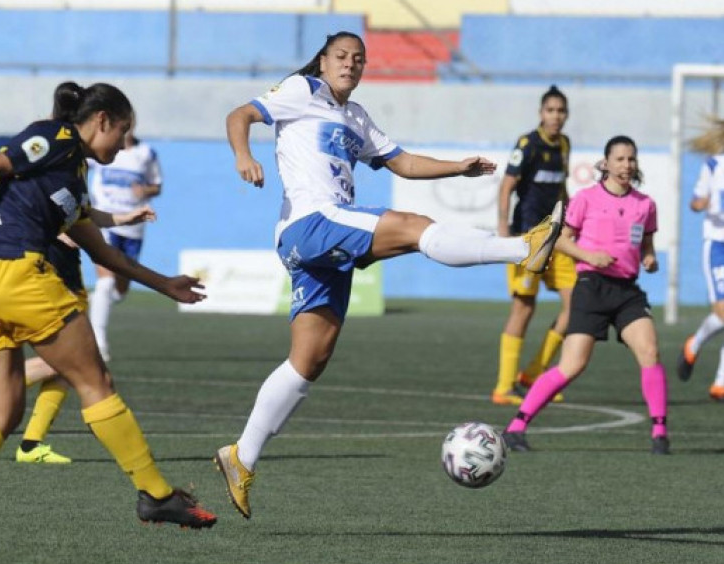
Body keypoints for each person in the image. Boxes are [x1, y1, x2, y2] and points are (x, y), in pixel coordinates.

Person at [213, 31, 564, 520]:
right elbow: (240, 115)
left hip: (321, 240)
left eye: (359, 59)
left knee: (310, 359)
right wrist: (242, 155)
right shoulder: (301, 92)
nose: (350, 65)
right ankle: (522, 248)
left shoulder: (356, 117)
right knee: (415, 228)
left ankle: (241, 456)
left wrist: (457, 168)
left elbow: (403, 162)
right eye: (341, 56)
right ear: (323, 60)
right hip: (310, 223)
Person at [0, 81, 216, 564]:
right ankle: (157, 495)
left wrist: (165, 284)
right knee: (96, 383)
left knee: (3, 410)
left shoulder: (70, 181)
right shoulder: (57, 138)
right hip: (15, 274)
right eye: (123, 130)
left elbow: (102, 252)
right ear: (102, 121)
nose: (122, 143)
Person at [502, 135, 670, 455]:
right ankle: (516, 427)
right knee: (572, 365)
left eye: (631, 159)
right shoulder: (585, 199)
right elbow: (561, 239)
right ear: (605, 164)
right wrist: (589, 257)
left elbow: (646, 244)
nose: (626, 164)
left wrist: (649, 258)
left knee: (650, 350)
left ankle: (660, 433)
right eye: (620, 159)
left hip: (627, 291)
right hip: (591, 288)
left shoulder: (645, 205)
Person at [0, 205, 156, 464]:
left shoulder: (72, 173)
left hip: (69, 267)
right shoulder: (43, 173)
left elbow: (83, 214)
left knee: (66, 368)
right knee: (74, 360)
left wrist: (124, 218)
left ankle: (31, 444)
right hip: (49, 265)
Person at [492, 85, 575, 406]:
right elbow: (507, 185)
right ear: (541, 113)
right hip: (527, 239)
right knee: (523, 307)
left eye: (561, 111)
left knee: (576, 304)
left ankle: (534, 372)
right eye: (550, 110)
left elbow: (562, 187)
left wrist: (571, 222)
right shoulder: (528, 144)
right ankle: (503, 387)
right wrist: (503, 228)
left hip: (557, 237)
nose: (556, 116)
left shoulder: (564, 144)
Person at [88, 123, 163, 361]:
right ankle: (97, 342)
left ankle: (88, 305)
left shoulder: (146, 153)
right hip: (105, 221)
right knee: (106, 283)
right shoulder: (101, 150)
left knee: (119, 292)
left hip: (134, 228)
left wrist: (146, 192)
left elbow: (157, 185)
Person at [676, 117, 724, 400]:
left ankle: (720, 381)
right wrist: (701, 203)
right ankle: (694, 344)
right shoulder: (714, 165)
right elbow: (696, 201)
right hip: (718, 245)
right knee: (722, 312)